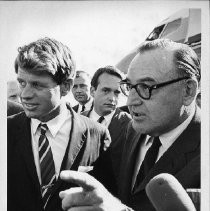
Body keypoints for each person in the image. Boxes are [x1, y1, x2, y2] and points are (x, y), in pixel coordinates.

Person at [59, 39, 201, 211]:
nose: (131, 101)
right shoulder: (132, 129)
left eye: (146, 86)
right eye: (130, 87)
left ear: (188, 90)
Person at [7, 37, 111, 211]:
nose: (24, 94)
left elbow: (106, 199)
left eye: (37, 85)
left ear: (65, 86)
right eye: (22, 83)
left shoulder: (97, 134)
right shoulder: (5, 130)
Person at [82, 65, 131, 143]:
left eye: (117, 92)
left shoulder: (129, 125)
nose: (112, 98)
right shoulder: (78, 120)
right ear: (92, 91)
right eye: (106, 91)